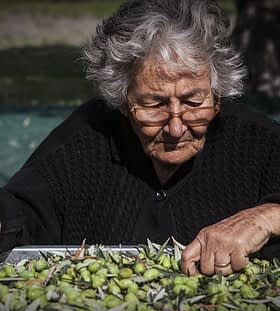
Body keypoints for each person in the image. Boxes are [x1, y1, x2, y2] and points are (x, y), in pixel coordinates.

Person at [0, 0, 279, 276]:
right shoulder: (86, 138)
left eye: (193, 102)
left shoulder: (255, 140)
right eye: (154, 105)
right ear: (122, 101)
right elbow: (22, 216)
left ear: (217, 94)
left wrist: (264, 218)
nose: (175, 128)